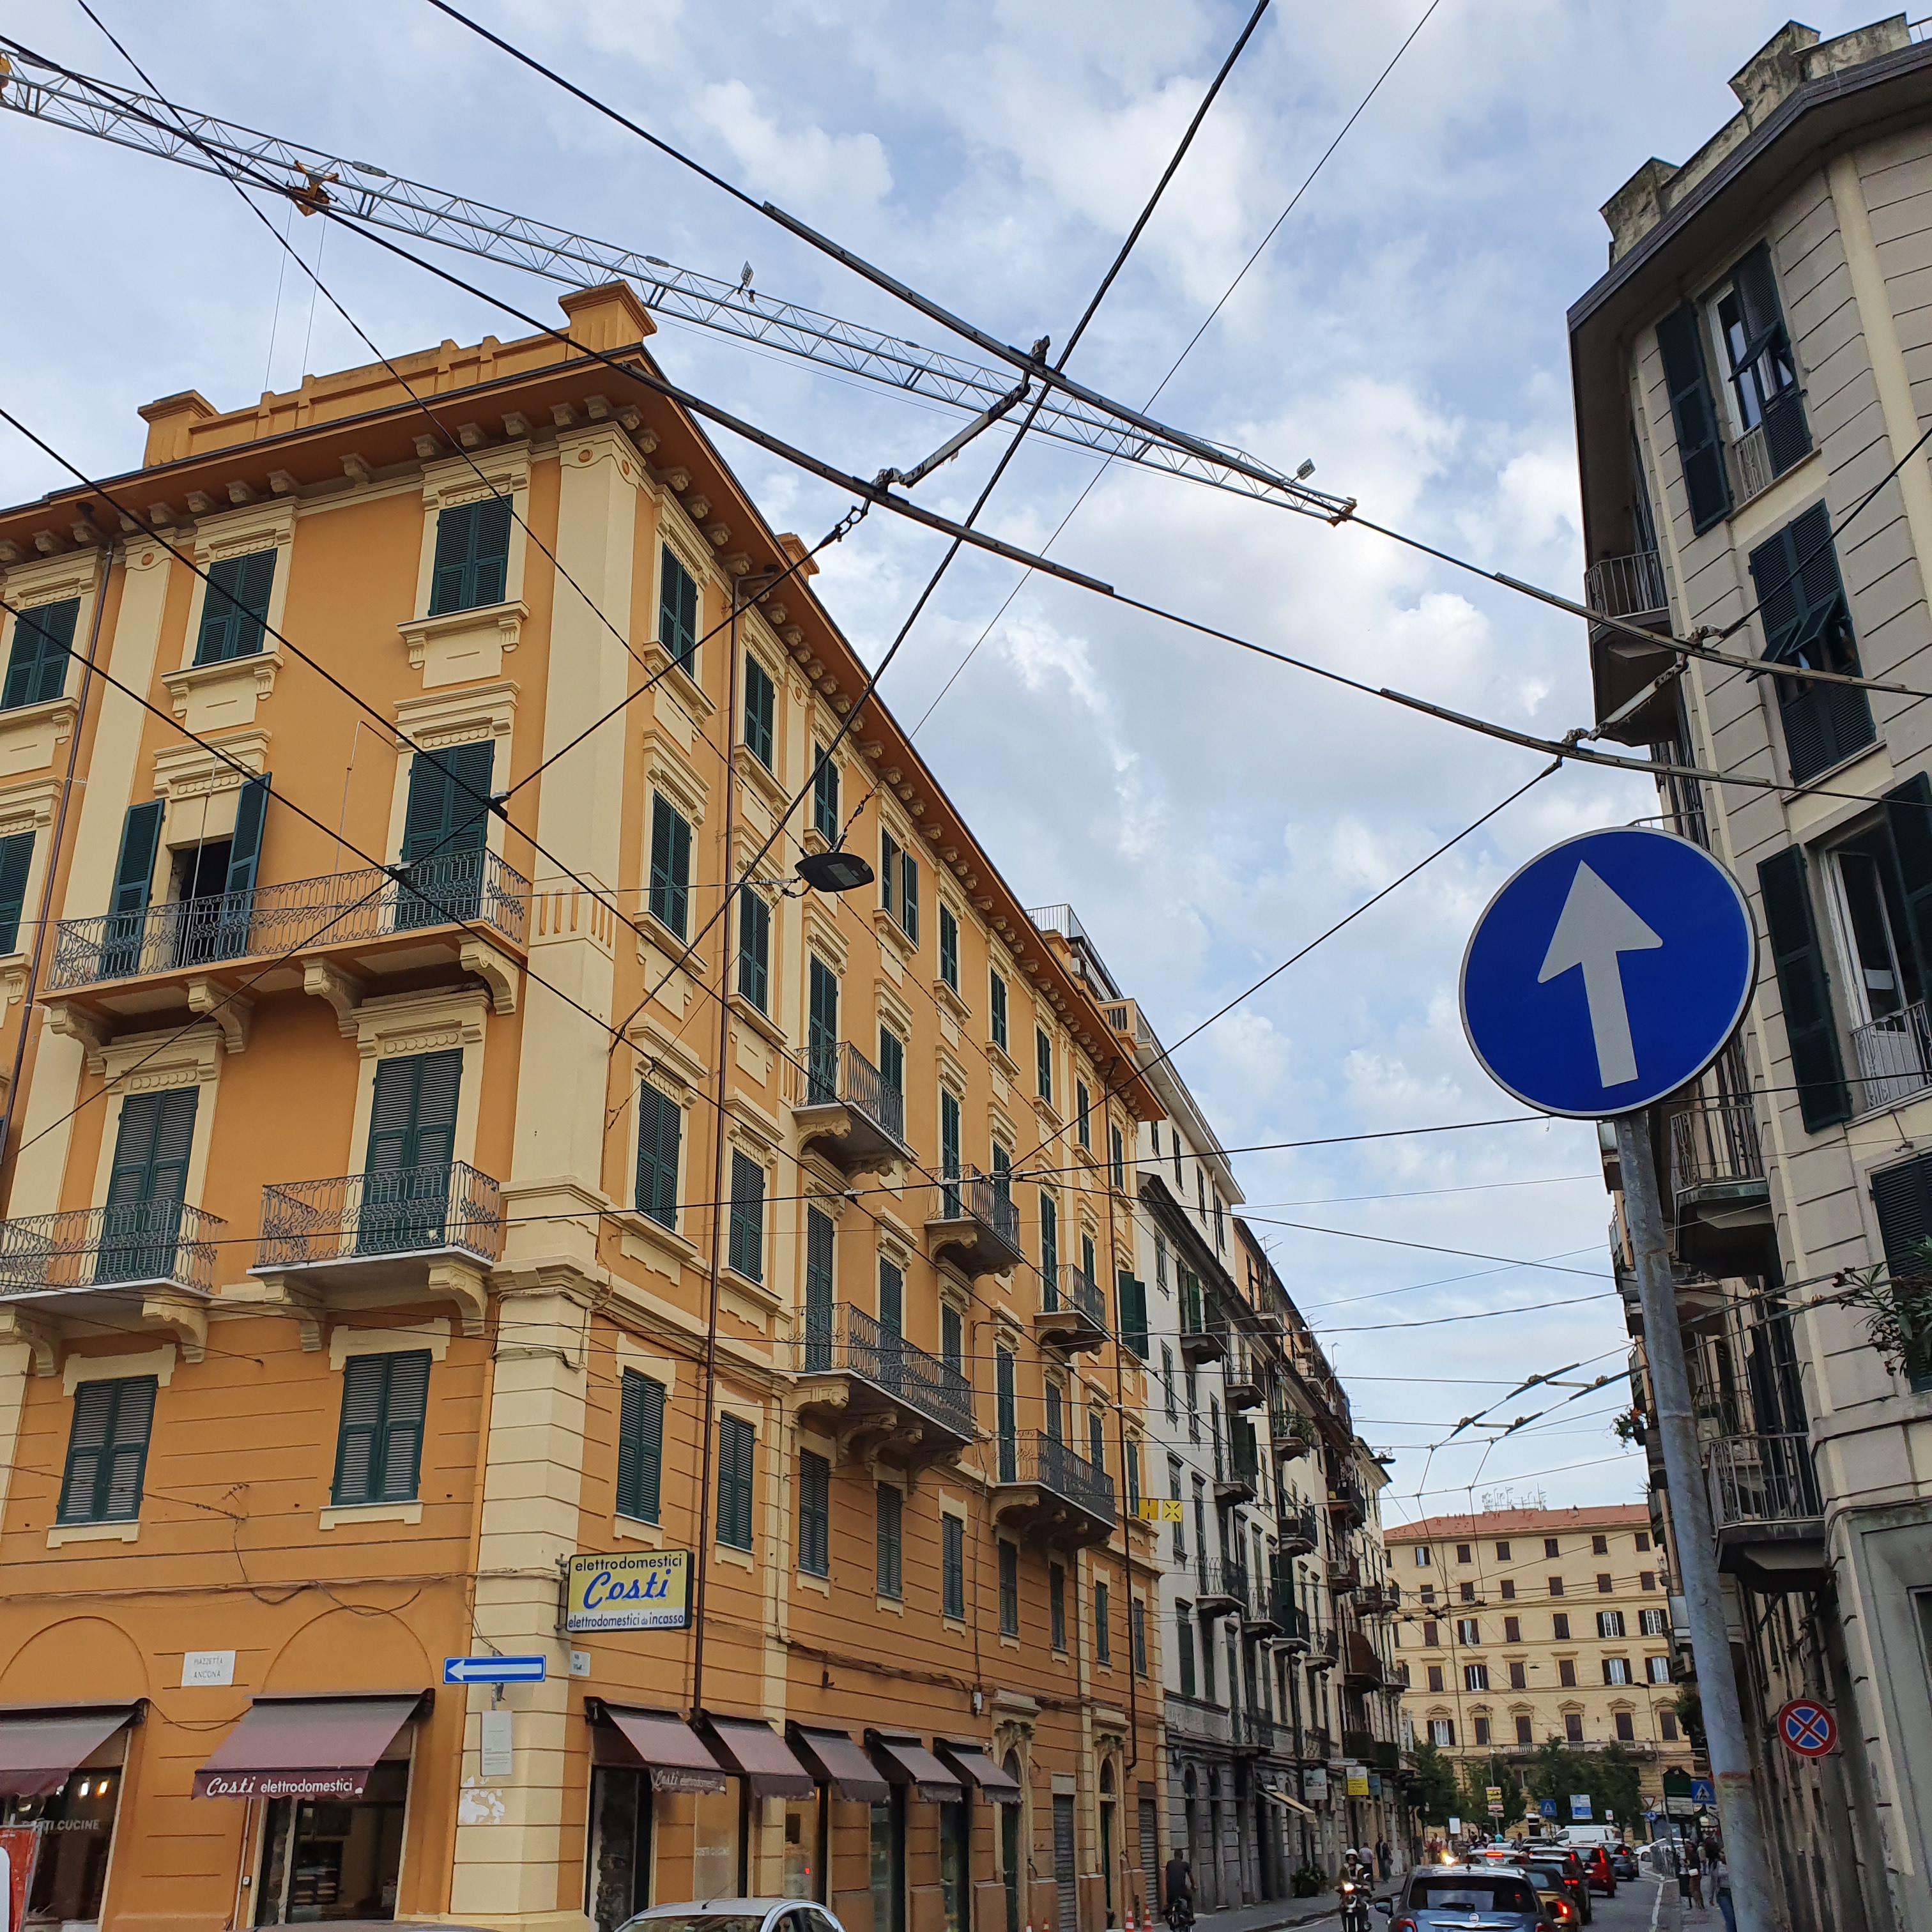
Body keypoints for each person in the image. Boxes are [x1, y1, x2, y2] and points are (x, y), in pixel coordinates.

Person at [1163, 1852, 1193, 1929]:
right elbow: (1191, 1877)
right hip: (1182, 1891)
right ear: (1182, 1856)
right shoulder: (1185, 1865)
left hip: (1170, 1892)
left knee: (1170, 1903)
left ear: (1175, 1856)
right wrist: (1194, 1886)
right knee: (1190, 1898)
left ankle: (1169, 1910)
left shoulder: (1169, 1864)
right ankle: (1190, 1917)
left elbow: (1166, 1876)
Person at [1712, 1848, 1733, 1932]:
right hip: (1723, 1893)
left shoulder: (1735, 1863)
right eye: (1722, 1853)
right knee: (1730, 1917)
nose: (1723, 1855)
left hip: (1735, 1893)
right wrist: (1711, 1896)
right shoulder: (1716, 1865)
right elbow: (1713, 1881)